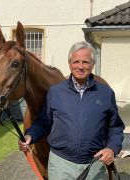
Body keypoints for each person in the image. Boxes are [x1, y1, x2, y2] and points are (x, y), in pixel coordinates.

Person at [18, 41, 125, 179]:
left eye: (85, 62)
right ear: (69, 64)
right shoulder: (55, 92)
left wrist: (112, 148)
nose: (80, 66)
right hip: (61, 165)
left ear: (92, 64)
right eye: (76, 62)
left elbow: (115, 127)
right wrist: (29, 135)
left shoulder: (105, 93)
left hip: (94, 165)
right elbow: (43, 122)